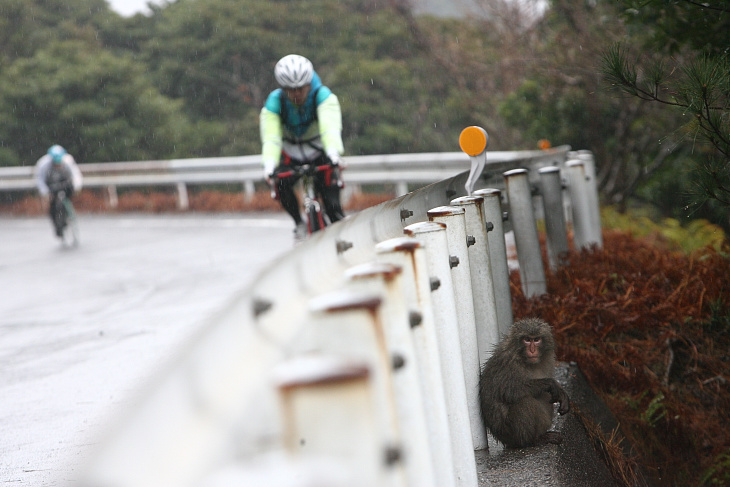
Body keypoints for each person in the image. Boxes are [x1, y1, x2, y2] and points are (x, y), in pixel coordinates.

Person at [260, 54, 345, 240]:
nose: (297, 94)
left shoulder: (322, 95)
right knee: (280, 183)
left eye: (301, 88)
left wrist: (333, 153)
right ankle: (299, 223)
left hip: (320, 152)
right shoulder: (275, 102)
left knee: (333, 207)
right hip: (291, 155)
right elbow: (271, 137)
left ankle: (343, 238)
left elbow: (330, 128)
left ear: (309, 83)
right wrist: (269, 165)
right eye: (291, 90)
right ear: (283, 89)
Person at [34, 145, 83, 238]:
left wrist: (77, 187)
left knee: (68, 194)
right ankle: (57, 226)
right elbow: (40, 180)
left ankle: (67, 215)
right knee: (53, 206)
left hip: (65, 183)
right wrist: (45, 192)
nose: (57, 165)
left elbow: (76, 175)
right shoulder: (43, 164)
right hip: (51, 185)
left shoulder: (68, 161)